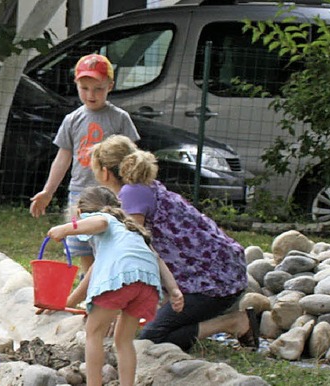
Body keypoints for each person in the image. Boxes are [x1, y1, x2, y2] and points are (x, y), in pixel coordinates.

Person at [88, 134, 255, 351]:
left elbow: (130, 256)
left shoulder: (132, 195)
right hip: (219, 273)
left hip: (214, 284)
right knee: (150, 330)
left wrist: (110, 307)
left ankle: (234, 322)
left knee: (152, 338)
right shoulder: (142, 185)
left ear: (105, 172)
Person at [30, 53, 140, 276]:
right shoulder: (72, 119)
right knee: (81, 243)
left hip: (111, 194)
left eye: (98, 88)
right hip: (80, 193)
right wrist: (48, 191)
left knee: (108, 239)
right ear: (76, 85)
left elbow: (132, 157)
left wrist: (130, 189)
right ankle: (88, 285)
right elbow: (63, 158)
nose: (91, 95)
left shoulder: (120, 118)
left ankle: (107, 283)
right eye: (85, 88)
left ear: (110, 85)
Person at [47, 186, 162, 386]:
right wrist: (67, 302)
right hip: (147, 283)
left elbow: (100, 221)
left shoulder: (105, 219)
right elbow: (155, 258)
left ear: (81, 213)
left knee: (94, 333)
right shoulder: (129, 230)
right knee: (124, 340)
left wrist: (65, 229)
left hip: (122, 279)